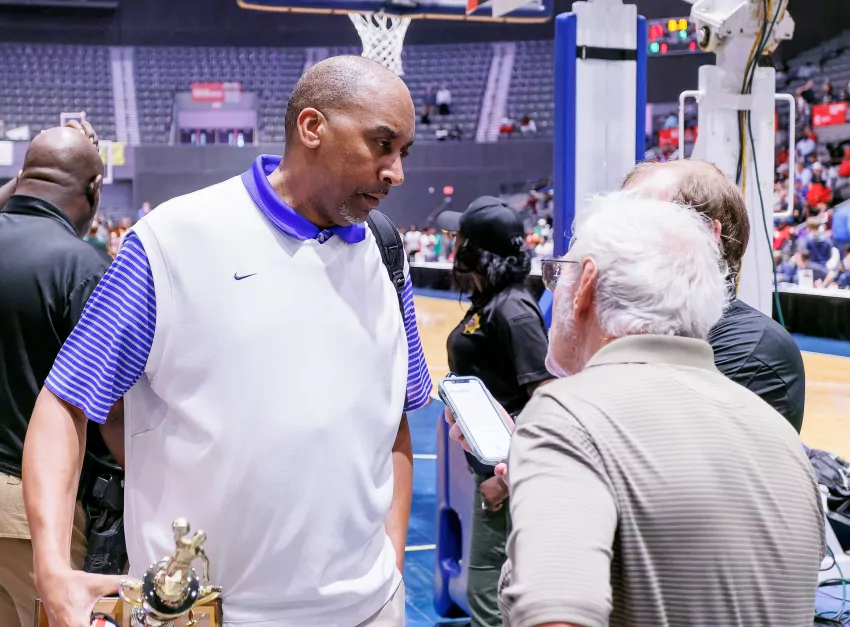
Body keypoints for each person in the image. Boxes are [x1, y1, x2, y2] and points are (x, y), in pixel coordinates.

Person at [23, 55, 431, 627]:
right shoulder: (175, 240)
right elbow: (65, 402)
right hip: (206, 613)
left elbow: (395, 420)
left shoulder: (386, 253)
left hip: (371, 610)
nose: (396, 172)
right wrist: (50, 567)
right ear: (312, 127)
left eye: (403, 152)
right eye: (382, 144)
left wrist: (392, 565)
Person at [498, 192, 824, 626]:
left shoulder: (569, 416)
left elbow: (557, 617)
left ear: (586, 286)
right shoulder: (780, 436)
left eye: (559, 274)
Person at [0, 122, 119, 627]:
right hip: (38, 512)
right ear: (95, 190)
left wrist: (26, 174)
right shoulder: (83, 268)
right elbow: (114, 408)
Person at [621, 159, 807, 432]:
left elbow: (641, 433)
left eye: (641, 221)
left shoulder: (753, 346)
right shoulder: (634, 322)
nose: (616, 235)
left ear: (707, 236)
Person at [436, 196, 552, 627]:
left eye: (460, 238)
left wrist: (506, 478)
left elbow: (548, 403)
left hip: (507, 481)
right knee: (487, 589)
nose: (454, 246)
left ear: (475, 250)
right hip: (495, 476)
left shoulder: (513, 310)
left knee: (489, 595)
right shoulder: (494, 302)